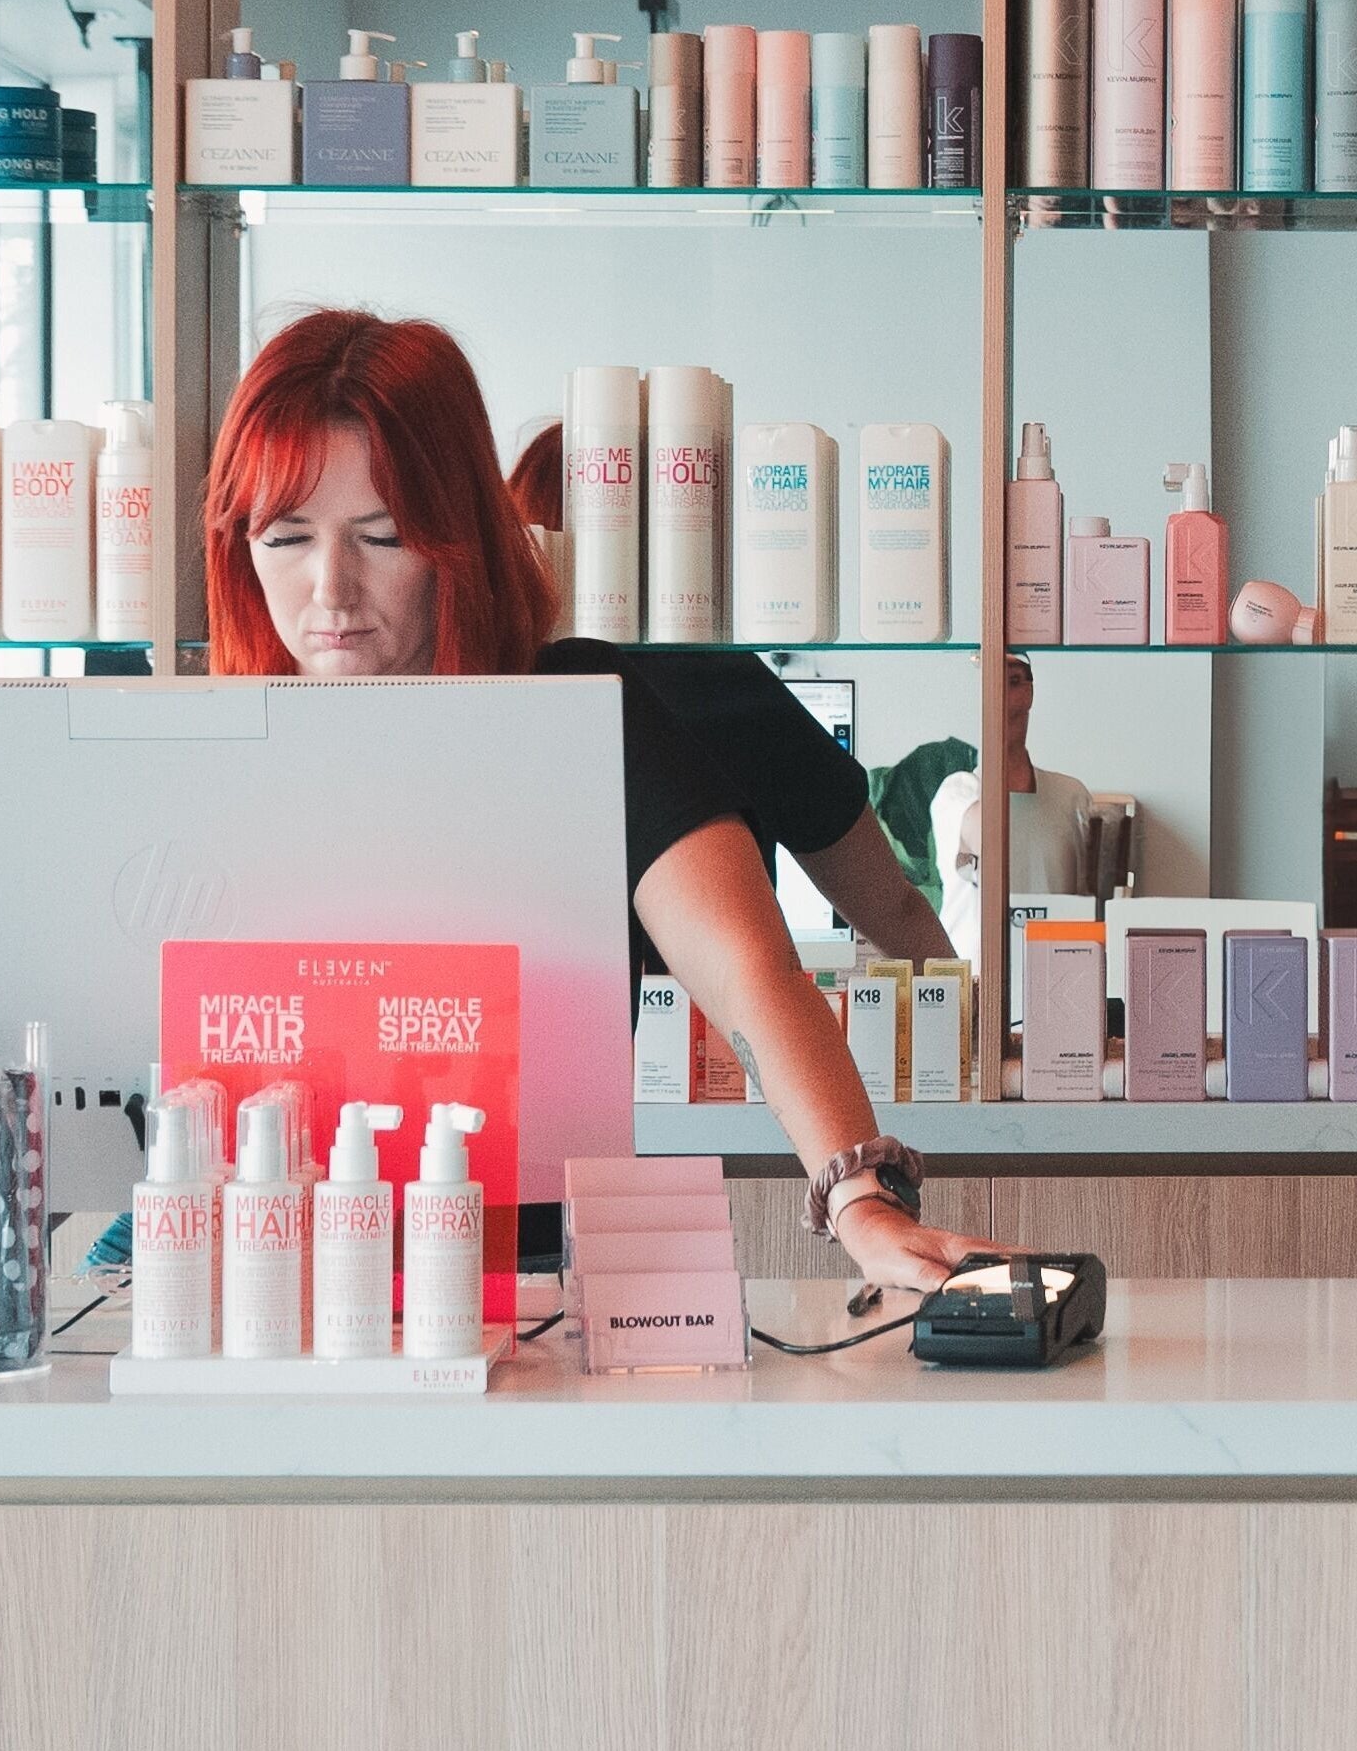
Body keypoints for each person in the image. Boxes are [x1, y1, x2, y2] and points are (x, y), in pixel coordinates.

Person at [207, 307, 992, 1287]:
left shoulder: (579, 713)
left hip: (511, 1287)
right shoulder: (217, 743)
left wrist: (859, 1198)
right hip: (244, 1275)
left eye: (381, 535)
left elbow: (751, 971)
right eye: (285, 538)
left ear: (459, 537)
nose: (330, 591)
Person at [929, 651, 1092, 953]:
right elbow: (988, 837)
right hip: (976, 984)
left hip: (1054, 976)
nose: (1004, 697)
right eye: (993, 684)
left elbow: (1086, 904)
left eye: (1014, 682)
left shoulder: (1071, 795)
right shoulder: (959, 791)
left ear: (1030, 693)